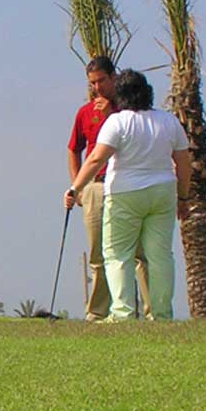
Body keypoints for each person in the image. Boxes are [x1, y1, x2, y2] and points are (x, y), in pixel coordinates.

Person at [64, 70, 192, 321]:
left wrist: (74, 188)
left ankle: (122, 313)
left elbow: (96, 158)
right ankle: (162, 314)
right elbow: (184, 163)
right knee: (160, 255)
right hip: (163, 192)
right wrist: (183, 198)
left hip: (125, 193)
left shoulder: (117, 122)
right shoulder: (169, 121)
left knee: (117, 253)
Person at [68, 56, 150, 321]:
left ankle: (152, 311)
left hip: (126, 184)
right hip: (95, 186)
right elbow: (74, 148)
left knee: (138, 250)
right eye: (93, 83)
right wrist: (78, 186)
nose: (98, 88)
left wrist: (109, 116)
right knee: (98, 251)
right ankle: (98, 311)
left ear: (114, 78)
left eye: (102, 80)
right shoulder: (84, 112)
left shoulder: (129, 109)